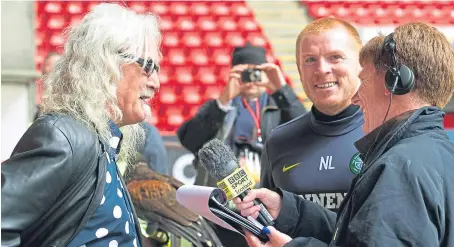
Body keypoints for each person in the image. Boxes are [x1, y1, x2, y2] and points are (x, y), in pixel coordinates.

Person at [234, 22, 454, 247]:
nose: (357, 96)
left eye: (365, 80)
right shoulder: (438, 152)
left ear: (396, 83)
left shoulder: (399, 167)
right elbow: (355, 236)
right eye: (310, 60)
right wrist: (291, 210)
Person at [1, 3, 161, 247]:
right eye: (148, 67)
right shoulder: (64, 137)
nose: (156, 83)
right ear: (108, 66)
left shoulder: (100, 141)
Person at [177, 43, 306, 247]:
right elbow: (189, 139)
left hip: (268, 207)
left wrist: (281, 89)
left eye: (256, 72)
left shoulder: (278, 106)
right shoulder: (222, 107)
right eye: (245, 72)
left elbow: (305, 133)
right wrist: (222, 100)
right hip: (226, 210)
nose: (251, 79)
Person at [260, 17, 364, 211]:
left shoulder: (389, 136)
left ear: (362, 65)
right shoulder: (278, 141)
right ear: (299, 71)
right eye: (310, 60)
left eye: (335, 57)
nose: (322, 69)